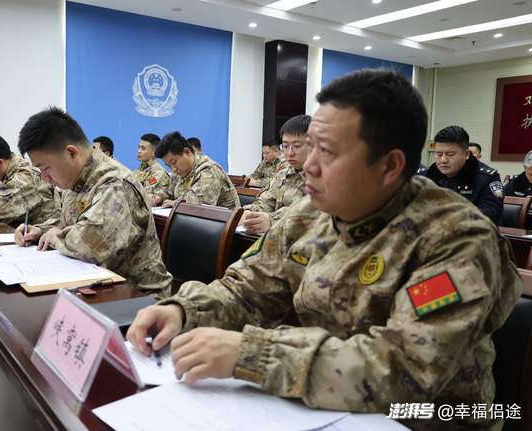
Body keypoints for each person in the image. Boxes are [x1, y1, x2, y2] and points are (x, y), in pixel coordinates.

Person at [127, 69, 520, 431]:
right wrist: (183, 311)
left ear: (390, 166)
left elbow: (404, 368)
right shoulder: (310, 214)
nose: (308, 166)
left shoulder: (456, 238)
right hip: (316, 406)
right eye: (308, 148)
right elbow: (248, 289)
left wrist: (254, 355)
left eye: (327, 152)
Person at [14, 107, 171, 298]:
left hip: (138, 297)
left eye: (45, 168)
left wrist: (55, 237)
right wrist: (40, 230)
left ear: (71, 153)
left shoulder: (114, 182)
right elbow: (72, 223)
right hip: (99, 285)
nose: (45, 178)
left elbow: (92, 246)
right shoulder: (76, 179)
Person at [240, 115, 309, 234]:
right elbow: (267, 200)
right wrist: (249, 213)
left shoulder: (325, 177)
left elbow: (308, 211)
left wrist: (272, 220)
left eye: (297, 146)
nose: (290, 153)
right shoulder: (282, 174)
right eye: (285, 146)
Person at [424, 126, 503, 224]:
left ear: (467, 154)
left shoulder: (486, 177)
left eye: (450, 154)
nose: (443, 160)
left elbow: (490, 214)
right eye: (439, 154)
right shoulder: (430, 174)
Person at [152, 132, 239, 209]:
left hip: (225, 221)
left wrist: (175, 203)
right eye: (168, 166)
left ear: (187, 152)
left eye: (174, 162)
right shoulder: (179, 172)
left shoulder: (209, 170)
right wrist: (159, 197)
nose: (173, 169)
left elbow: (200, 204)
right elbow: (169, 193)